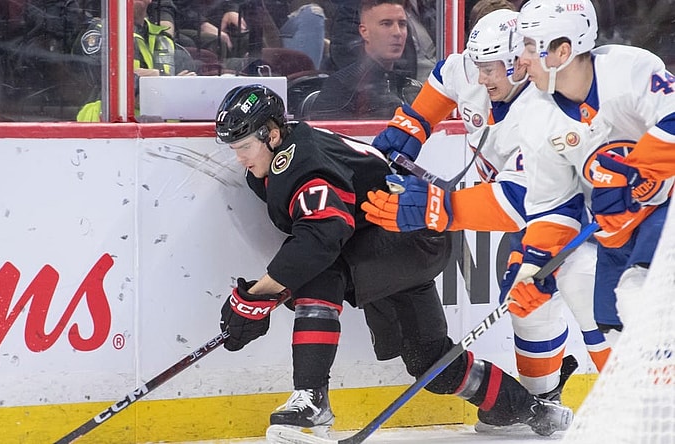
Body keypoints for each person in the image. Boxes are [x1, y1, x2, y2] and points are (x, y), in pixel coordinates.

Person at [214, 83, 574, 437]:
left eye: (245, 146)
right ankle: (532, 410)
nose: (241, 158)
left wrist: (257, 296)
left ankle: (311, 399)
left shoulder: (303, 165)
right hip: (400, 241)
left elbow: (319, 242)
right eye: (235, 148)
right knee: (431, 364)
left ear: (273, 134)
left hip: (405, 236)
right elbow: (323, 235)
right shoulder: (285, 156)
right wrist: (264, 297)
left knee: (318, 272)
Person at [359, 4, 612, 431]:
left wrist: (438, 208)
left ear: (518, 64)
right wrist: (394, 145)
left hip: (589, 216)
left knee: (586, 291)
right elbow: (427, 104)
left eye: (492, 68)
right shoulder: (468, 70)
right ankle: (541, 401)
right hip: (539, 218)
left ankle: (648, 401)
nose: (480, 78)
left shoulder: (547, 108)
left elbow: (515, 199)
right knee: (526, 299)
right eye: (478, 65)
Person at [502, 0, 674, 333]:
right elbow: (554, 207)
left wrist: (636, 172)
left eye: (528, 46)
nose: (520, 60)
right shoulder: (536, 116)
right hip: (616, 234)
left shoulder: (631, 70)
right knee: (613, 331)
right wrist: (534, 269)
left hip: (666, 210)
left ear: (562, 52)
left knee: (637, 295)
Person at [75, 0, 196, 121]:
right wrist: (167, 81)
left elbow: (190, 90)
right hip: (106, 130)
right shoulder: (100, 32)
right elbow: (105, 78)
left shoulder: (165, 40)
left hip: (166, 134)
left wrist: (154, 78)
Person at [310, 0, 422, 120]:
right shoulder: (340, 88)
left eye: (402, 24)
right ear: (364, 32)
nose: (397, 32)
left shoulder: (413, 89)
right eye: (386, 24)